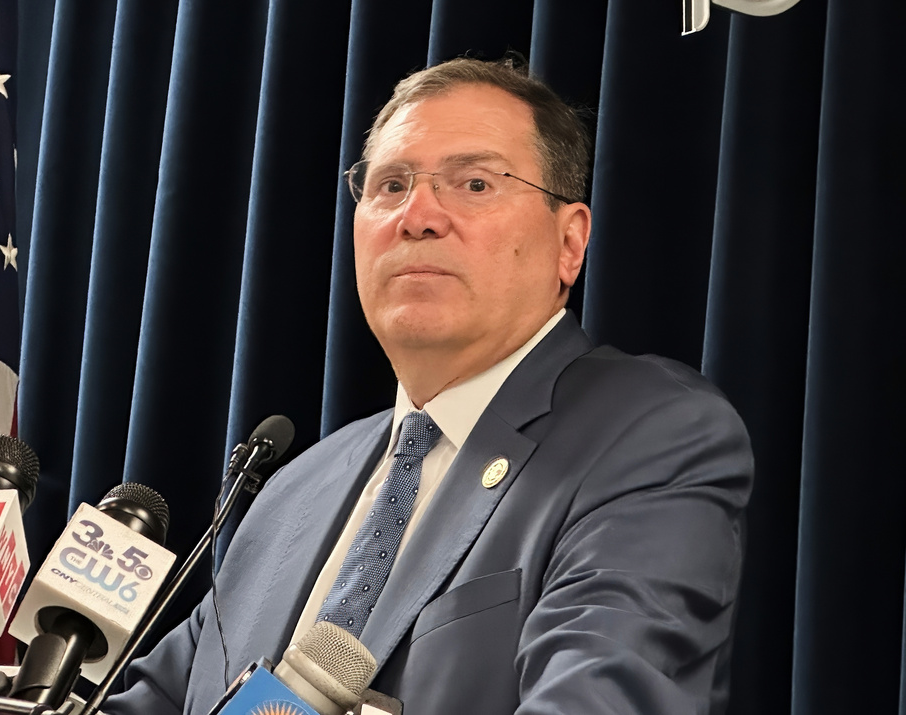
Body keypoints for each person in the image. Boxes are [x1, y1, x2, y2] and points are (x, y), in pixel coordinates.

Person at [104, 56, 753, 715]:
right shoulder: (292, 486)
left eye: (474, 183)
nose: (417, 216)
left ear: (570, 242)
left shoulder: (652, 436)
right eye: (390, 185)